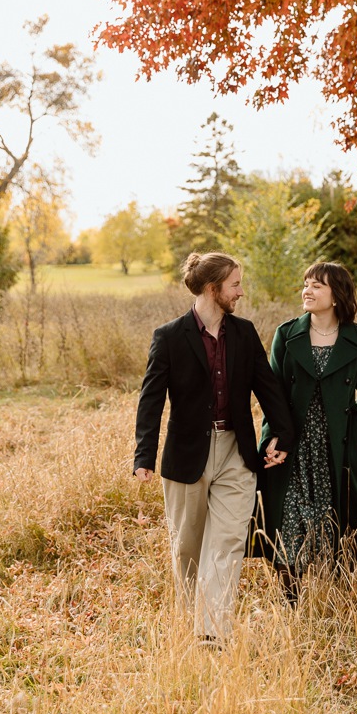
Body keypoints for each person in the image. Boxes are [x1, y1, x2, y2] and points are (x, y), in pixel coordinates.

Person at [133, 251, 295, 643]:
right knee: (187, 548)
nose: (241, 292)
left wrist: (283, 435)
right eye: (235, 284)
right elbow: (151, 399)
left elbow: (268, 387)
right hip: (187, 454)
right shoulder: (169, 337)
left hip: (236, 453)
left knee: (227, 543)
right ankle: (192, 625)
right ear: (213, 288)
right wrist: (144, 456)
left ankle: (212, 636)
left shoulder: (245, 333)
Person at [257, 261, 357, 598]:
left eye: (317, 285)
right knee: (287, 517)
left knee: (337, 520)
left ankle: (337, 602)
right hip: (292, 444)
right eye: (305, 283)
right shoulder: (287, 334)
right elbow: (273, 394)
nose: (307, 290)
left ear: (336, 295)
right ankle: (292, 602)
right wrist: (273, 436)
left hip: (340, 446)